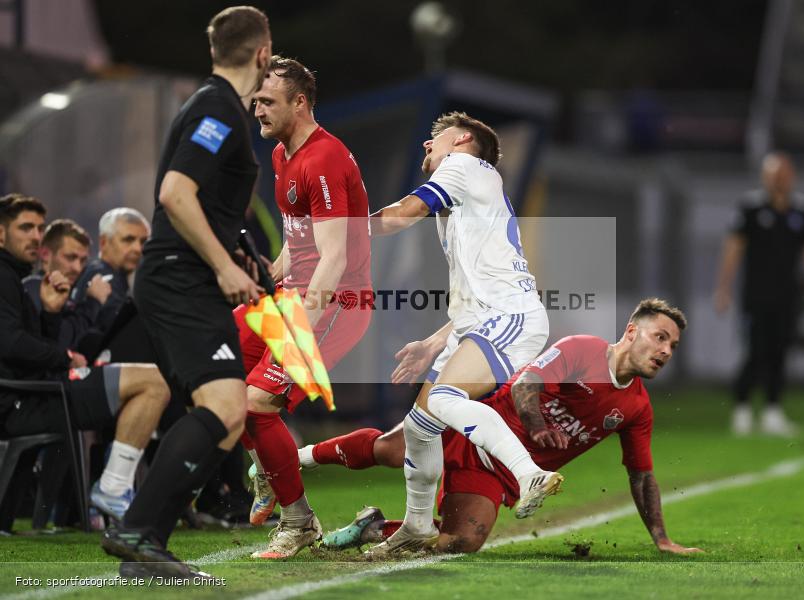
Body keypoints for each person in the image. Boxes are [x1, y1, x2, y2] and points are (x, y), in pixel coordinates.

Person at [320, 299, 702, 556]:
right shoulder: (583, 349)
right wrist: (535, 424)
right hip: (473, 424)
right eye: (660, 337)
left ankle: (374, 527)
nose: (667, 350)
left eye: (674, 345)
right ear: (632, 332)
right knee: (390, 450)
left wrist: (662, 538)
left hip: (498, 474)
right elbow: (525, 384)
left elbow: (642, 476)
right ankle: (295, 461)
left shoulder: (636, 408)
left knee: (462, 541)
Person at [100, 6, 271, 579]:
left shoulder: (221, 109)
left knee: (224, 417)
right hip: (181, 278)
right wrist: (224, 267)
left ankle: (146, 543)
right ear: (263, 53)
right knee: (224, 408)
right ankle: (136, 529)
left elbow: (207, 203)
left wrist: (241, 257)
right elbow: (176, 193)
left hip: (188, 277)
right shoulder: (218, 107)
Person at [348, 111, 558, 555]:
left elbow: (403, 214)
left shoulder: (462, 167)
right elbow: (475, 294)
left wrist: (334, 232)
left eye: (434, 138)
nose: (427, 146)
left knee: (444, 400)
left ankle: (527, 474)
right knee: (421, 427)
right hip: (486, 319)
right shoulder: (469, 195)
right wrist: (433, 342)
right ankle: (417, 526)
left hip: (509, 317)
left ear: (461, 140)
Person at [231, 55, 372, 558]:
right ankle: (269, 470)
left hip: (335, 302)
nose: (257, 110)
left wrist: (300, 328)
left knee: (256, 402)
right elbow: (302, 234)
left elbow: (334, 258)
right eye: (256, 100)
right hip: (295, 293)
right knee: (221, 364)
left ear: (300, 102)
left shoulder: (325, 158)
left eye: (267, 102)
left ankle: (298, 523)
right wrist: (273, 270)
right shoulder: (282, 154)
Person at [0, 194, 170, 526]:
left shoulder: (14, 276)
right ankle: (113, 488)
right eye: (25, 228)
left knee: (154, 382)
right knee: (153, 383)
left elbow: (28, 343)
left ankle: (112, 491)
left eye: (38, 227)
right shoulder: (5, 276)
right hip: (26, 400)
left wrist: (49, 315)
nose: (35, 235)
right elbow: (9, 343)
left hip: (36, 393)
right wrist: (64, 357)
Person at [714, 152, 804, 437]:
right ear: (764, 178)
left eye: (781, 174)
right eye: (772, 175)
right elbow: (733, 249)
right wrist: (723, 288)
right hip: (755, 296)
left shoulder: (802, 212)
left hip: (788, 296)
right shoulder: (750, 209)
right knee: (756, 351)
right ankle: (742, 408)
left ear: (791, 176)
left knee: (781, 351)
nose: (777, 180)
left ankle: (773, 409)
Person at [22, 219, 113, 349]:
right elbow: (61, 341)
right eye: (70, 257)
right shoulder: (33, 288)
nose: (77, 268)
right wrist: (93, 302)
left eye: (82, 260)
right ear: (45, 254)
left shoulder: (71, 295)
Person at [71, 207, 150, 331]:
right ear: (103, 243)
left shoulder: (102, 274)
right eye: (128, 240)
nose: (138, 249)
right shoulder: (103, 278)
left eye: (143, 241)